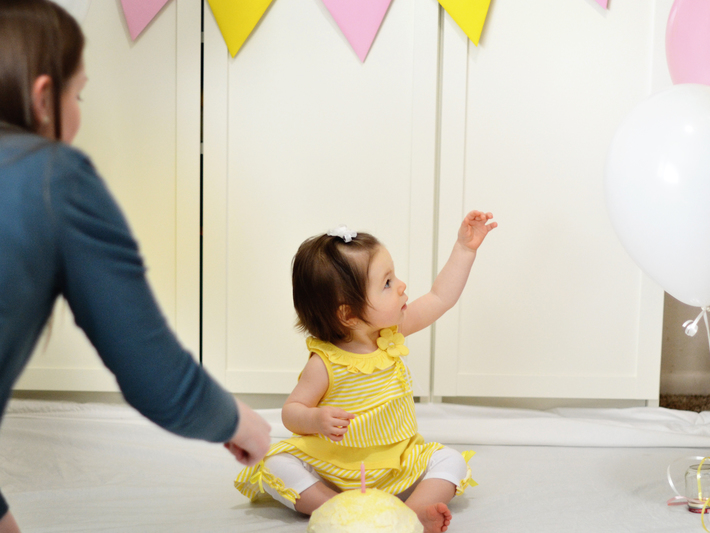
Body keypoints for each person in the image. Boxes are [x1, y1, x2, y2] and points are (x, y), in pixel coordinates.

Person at [0, 1, 271, 531]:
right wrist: (243, 424)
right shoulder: (55, 177)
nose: (78, 112)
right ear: (42, 97)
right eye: (77, 95)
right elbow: (161, 382)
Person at [234, 212, 496, 533]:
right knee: (276, 464)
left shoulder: (392, 333)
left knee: (450, 460)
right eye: (387, 283)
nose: (401, 286)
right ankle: (337, 507)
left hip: (397, 464)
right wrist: (315, 419)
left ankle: (408, 515)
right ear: (348, 314)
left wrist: (465, 249)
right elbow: (291, 412)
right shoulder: (325, 363)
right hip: (334, 469)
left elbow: (440, 297)